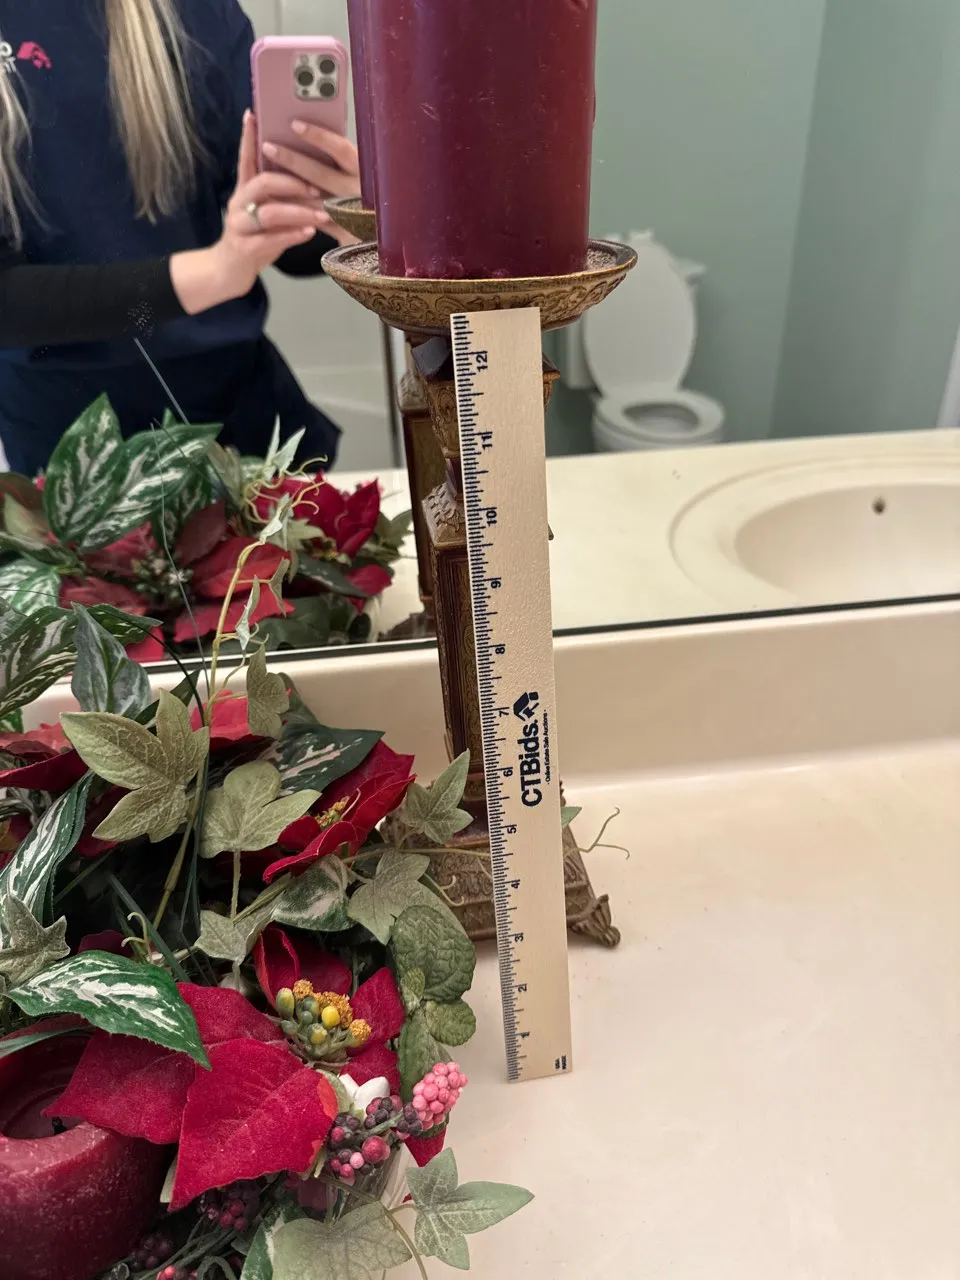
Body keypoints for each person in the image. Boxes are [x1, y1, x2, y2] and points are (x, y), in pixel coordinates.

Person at [0, 0, 364, 477]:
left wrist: (346, 218)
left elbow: (287, 244)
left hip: (237, 417)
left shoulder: (197, 12)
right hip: (69, 452)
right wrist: (215, 272)